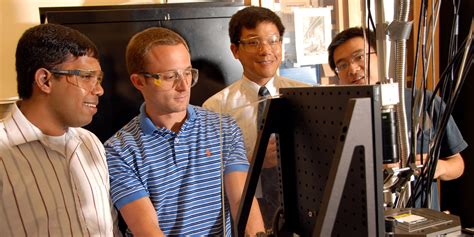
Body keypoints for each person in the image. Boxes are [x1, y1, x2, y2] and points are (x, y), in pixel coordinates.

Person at [104, 27, 264, 236]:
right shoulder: (119, 150)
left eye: (187, 73)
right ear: (139, 81)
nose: (183, 86)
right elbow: (147, 230)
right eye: (170, 76)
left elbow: (243, 203)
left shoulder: (223, 127)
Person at [0, 24, 119, 236]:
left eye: (98, 78)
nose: (99, 89)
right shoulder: (3, 154)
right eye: (85, 76)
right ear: (45, 80)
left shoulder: (91, 144)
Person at [327, 27, 467, 208]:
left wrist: (439, 167)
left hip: (421, 221)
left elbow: (458, 163)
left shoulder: (425, 101)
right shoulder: (334, 116)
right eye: (342, 65)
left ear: (381, 56)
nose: (353, 69)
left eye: (359, 57)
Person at [202, 6, 310, 229]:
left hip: (304, 206)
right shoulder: (215, 108)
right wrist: (255, 161)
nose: (265, 50)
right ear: (235, 50)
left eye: (273, 40)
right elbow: (208, 178)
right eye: (253, 42)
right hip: (244, 210)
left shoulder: (308, 95)